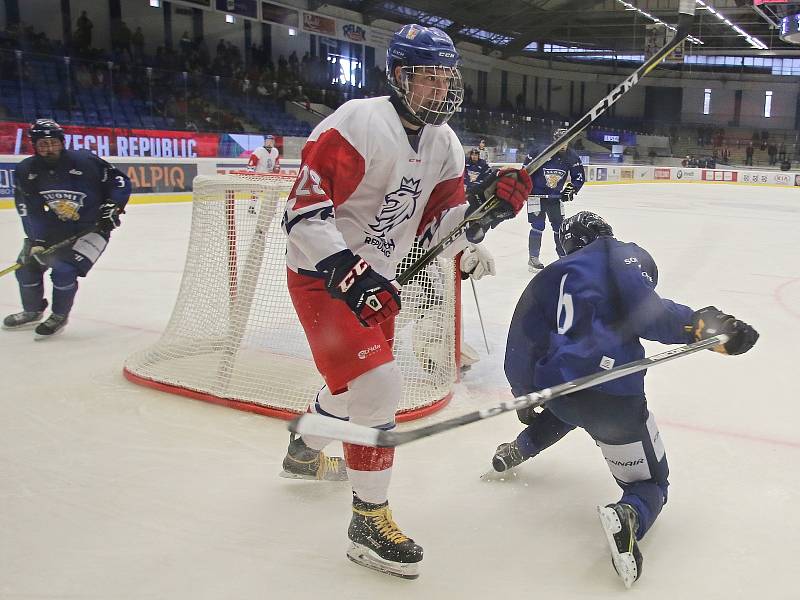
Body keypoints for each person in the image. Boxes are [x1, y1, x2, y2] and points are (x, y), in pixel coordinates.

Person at [279, 24, 531, 579]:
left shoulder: (445, 145)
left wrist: (485, 214)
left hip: (380, 282)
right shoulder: (355, 124)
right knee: (380, 387)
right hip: (324, 276)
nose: (439, 91)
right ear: (398, 78)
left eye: (446, 80)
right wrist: (348, 270)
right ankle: (368, 520)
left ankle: (304, 445)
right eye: (428, 80)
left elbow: (442, 224)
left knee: (351, 395)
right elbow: (300, 215)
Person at [493, 211, 759, 588]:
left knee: (569, 404)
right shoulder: (625, 255)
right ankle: (629, 515)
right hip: (614, 400)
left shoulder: (551, 274)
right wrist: (702, 325)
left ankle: (516, 449)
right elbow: (649, 314)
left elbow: (522, 343)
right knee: (651, 483)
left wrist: (523, 396)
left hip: (561, 391)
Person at [3, 119, 131, 337]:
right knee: (27, 267)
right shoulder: (27, 170)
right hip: (56, 227)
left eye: (53, 143)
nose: (49, 148)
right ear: (34, 145)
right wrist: (37, 240)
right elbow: (30, 209)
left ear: (62, 142)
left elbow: (119, 181)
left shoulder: (85, 161)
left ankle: (59, 315)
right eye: (43, 144)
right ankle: (32, 310)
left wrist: (113, 206)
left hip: (92, 228)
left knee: (64, 271)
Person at [526, 127, 585, 271]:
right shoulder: (540, 151)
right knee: (537, 226)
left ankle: (563, 257)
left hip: (555, 198)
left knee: (559, 227)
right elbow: (525, 171)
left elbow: (579, 177)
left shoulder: (572, 156)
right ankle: (533, 258)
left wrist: (571, 189)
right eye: (561, 141)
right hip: (536, 197)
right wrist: (526, 189)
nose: (563, 145)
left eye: (566, 141)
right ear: (555, 141)